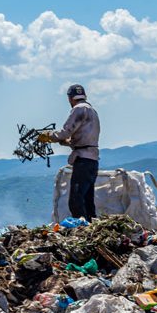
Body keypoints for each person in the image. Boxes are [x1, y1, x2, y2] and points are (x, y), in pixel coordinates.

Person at [38, 84, 101, 221]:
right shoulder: (92, 111)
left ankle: (82, 228)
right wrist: (66, 142)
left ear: (70, 98)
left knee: (76, 199)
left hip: (83, 161)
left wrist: (49, 136)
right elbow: (83, 138)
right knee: (88, 199)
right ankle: (92, 225)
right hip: (93, 161)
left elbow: (66, 131)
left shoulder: (78, 110)